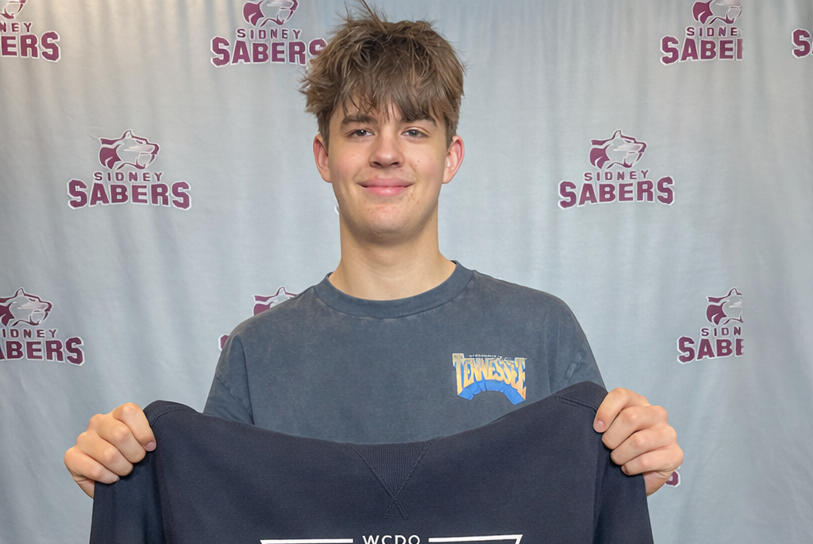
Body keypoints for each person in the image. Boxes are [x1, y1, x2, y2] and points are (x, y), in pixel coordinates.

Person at [65, 4, 682, 498]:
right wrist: (128, 479)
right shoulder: (258, 351)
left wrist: (633, 467)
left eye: (414, 130)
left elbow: (583, 516)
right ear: (323, 157)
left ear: (451, 158)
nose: (387, 152)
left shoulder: (542, 330)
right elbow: (214, 528)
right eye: (360, 129)